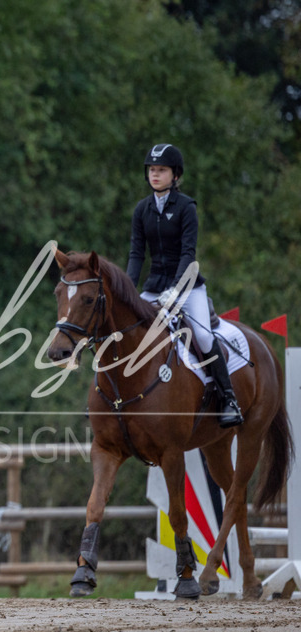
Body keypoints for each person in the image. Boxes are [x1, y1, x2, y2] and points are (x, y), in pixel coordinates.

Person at [126, 143, 243, 428]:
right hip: (154, 286)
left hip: (188, 287)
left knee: (202, 337)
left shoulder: (186, 207)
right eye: (152, 170)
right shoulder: (142, 210)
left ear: (175, 174)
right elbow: (136, 255)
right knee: (125, 331)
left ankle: (228, 398)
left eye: (161, 170)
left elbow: (188, 254)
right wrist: (127, 291)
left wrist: (176, 289)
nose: (155, 175)